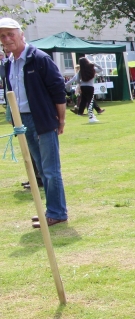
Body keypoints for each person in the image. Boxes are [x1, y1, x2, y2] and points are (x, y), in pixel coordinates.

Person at [1, 17, 69, 227]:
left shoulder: (39, 58)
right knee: (39, 168)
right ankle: (50, 210)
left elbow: (58, 89)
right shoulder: (8, 63)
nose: (7, 39)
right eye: (3, 36)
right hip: (22, 121)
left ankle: (57, 212)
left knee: (50, 169)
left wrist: (61, 118)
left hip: (42, 119)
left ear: (21, 35)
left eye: (11, 34)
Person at [67, 57, 104, 122]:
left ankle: (80, 112)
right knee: (90, 101)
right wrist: (95, 64)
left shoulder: (80, 71)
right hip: (90, 86)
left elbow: (77, 80)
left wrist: (80, 84)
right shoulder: (92, 69)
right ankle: (91, 117)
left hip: (83, 87)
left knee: (83, 100)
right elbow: (101, 69)